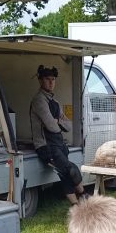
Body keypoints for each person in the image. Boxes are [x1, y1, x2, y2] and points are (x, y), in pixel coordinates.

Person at [29, 64, 85, 206]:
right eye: (47, 79)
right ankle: (83, 199)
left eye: (53, 79)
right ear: (40, 80)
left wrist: (57, 121)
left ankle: (78, 204)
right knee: (70, 170)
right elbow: (52, 127)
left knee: (65, 173)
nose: (51, 82)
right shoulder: (39, 100)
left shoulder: (55, 102)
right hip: (46, 146)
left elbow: (69, 126)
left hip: (59, 144)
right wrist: (58, 122)